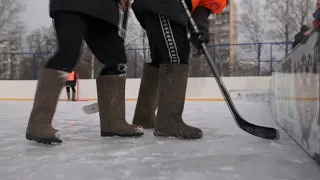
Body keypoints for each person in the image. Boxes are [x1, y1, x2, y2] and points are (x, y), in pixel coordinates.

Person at [26, 0, 143, 145]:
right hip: (73, 5)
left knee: (117, 61)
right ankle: (39, 122)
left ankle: (114, 122)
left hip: (105, 10)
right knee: (68, 54)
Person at [131, 0, 228, 139]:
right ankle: (168, 121)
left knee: (161, 59)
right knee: (175, 55)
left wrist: (200, 29)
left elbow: (201, 9)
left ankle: (144, 117)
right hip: (165, 5)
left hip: (162, 6)